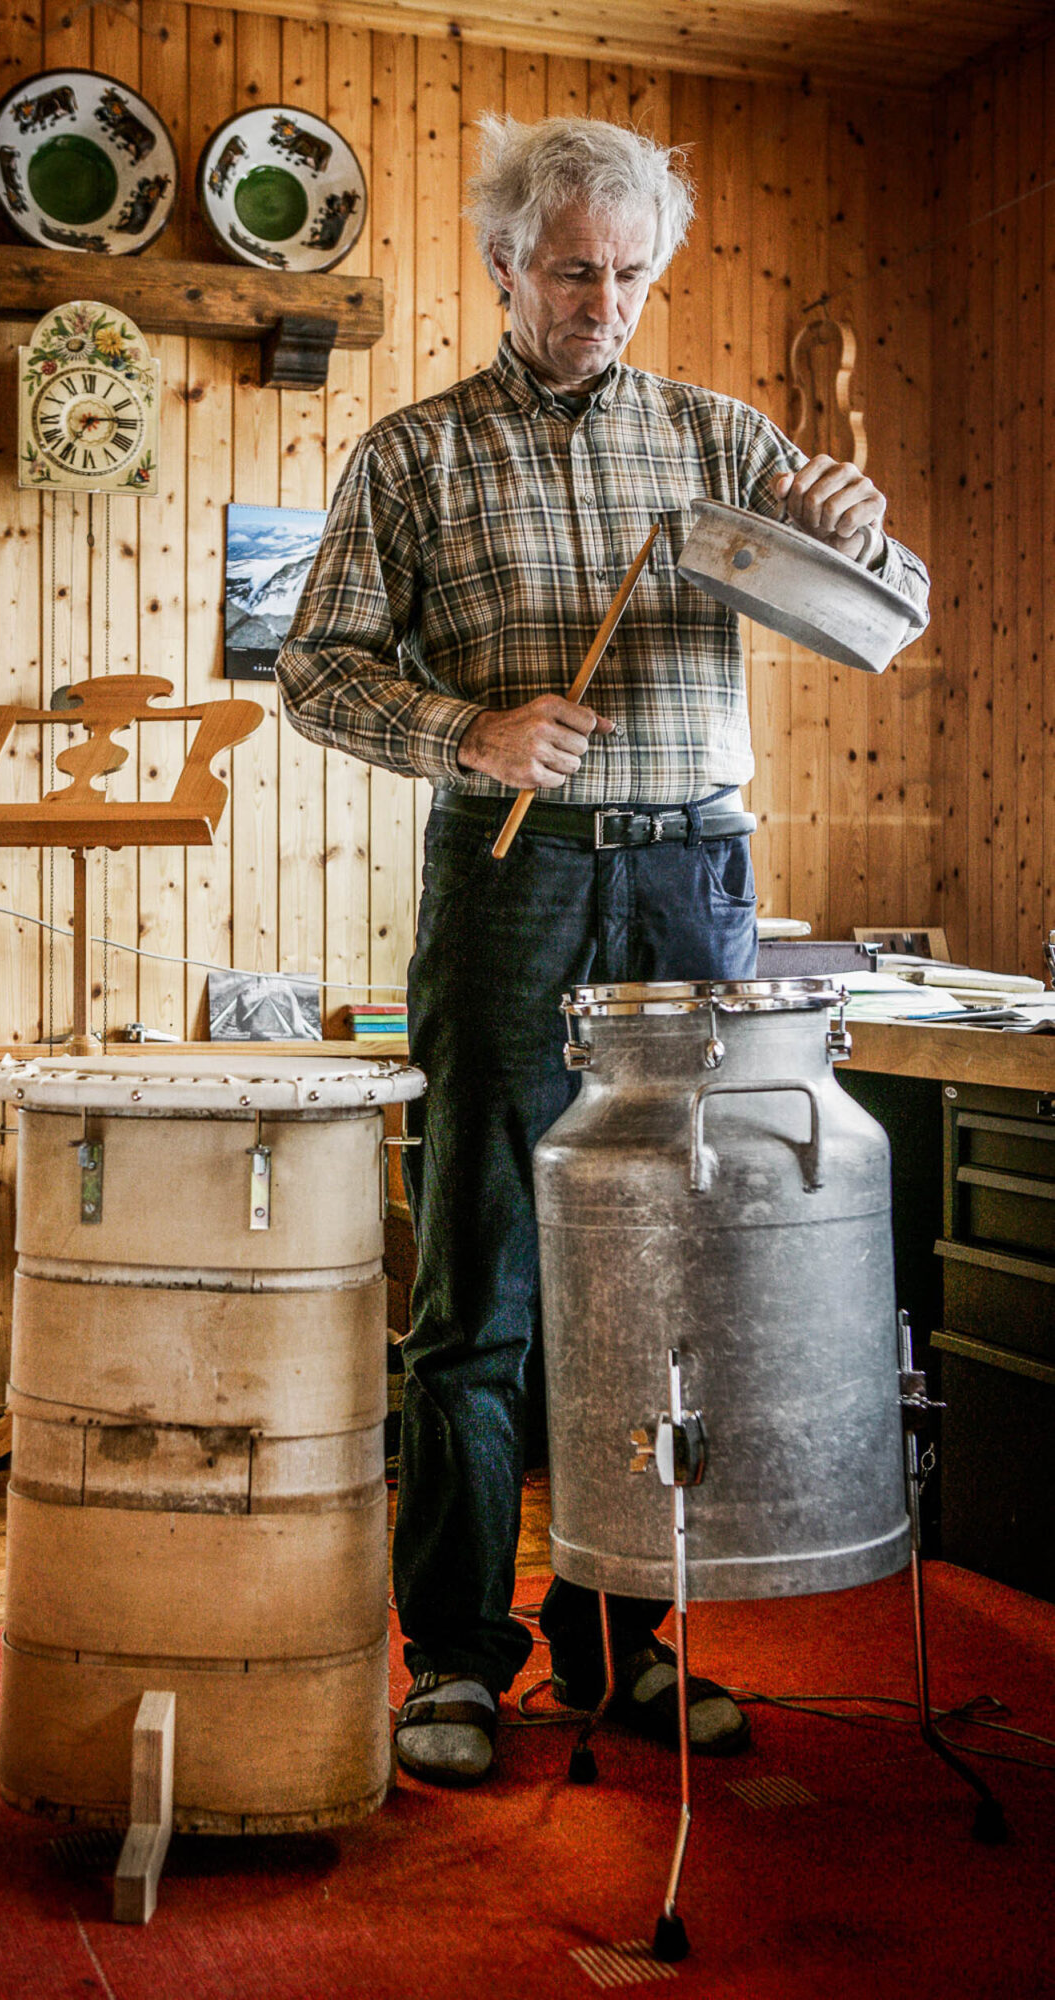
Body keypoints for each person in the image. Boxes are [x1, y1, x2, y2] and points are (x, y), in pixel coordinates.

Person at [275, 115, 930, 1788]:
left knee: (660, 1295)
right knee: (481, 1284)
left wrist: (853, 528)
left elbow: (891, 613)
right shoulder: (412, 456)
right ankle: (458, 1661)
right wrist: (466, 728)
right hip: (516, 883)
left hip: (693, 888)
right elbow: (318, 671)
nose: (607, 301)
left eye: (633, 273)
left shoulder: (722, 438)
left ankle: (618, 1647)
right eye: (576, 270)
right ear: (503, 262)